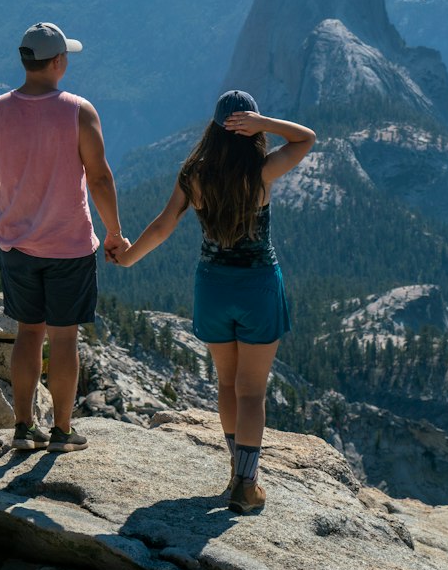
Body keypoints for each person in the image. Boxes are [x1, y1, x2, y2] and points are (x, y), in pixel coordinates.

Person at [113, 89, 315, 513]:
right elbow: (306, 139)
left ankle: (236, 472)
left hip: (213, 288)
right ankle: (246, 484)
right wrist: (267, 124)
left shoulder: (194, 175)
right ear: (248, 128)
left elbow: (165, 224)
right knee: (252, 392)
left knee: (227, 384)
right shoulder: (260, 171)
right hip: (258, 287)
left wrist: (129, 257)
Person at [0, 21, 130, 455]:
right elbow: (99, 178)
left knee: (28, 333)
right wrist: (115, 232)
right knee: (64, 338)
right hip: (69, 245)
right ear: (59, 61)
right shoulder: (78, 111)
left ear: (26, 60)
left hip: (17, 245)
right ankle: (62, 431)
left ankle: (23, 427)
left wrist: (5, 222)